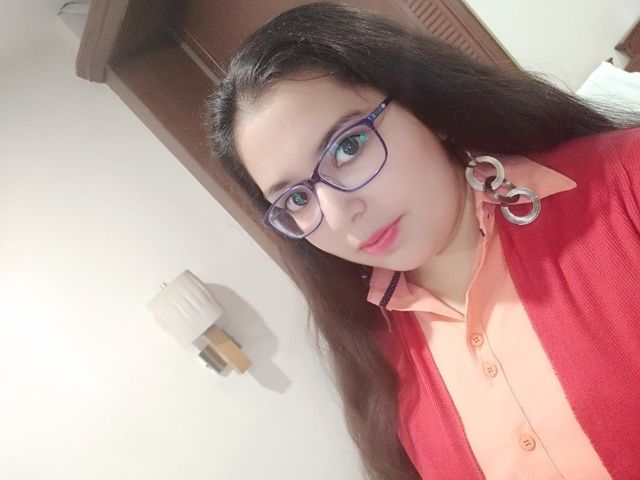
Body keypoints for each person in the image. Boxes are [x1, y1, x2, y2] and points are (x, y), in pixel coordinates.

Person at [204, 3, 640, 479]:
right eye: (296, 199)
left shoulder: (625, 186)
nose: (339, 213)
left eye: (348, 146)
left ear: (424, 107)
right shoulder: (377, 358)